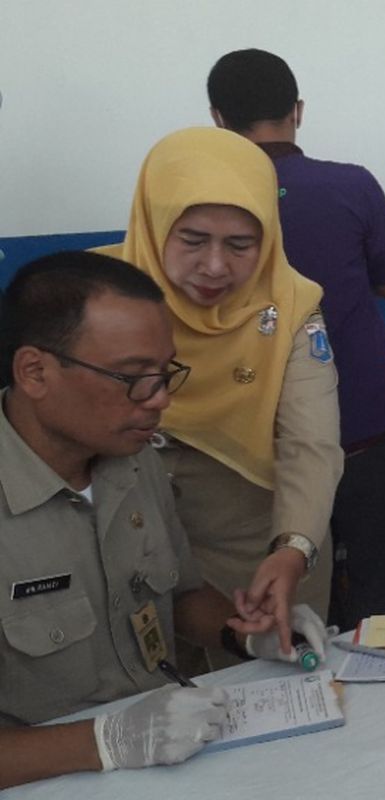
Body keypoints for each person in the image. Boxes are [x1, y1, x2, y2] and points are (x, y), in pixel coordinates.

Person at [0, 251, 325, 789]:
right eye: (132, 377)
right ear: (35, 371)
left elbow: (177, 595)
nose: (159, 400)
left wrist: (248, 635)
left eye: (164, 372)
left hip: (174, 759)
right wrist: (109, 739)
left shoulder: (133, 460)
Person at [99, 127, 343, 661]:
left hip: (256, 558)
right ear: (154, 222)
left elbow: (313, 444)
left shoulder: (290, 307)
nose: (215, 267)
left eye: (240, 245)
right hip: (120, 547)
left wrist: (294, 548)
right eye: (191, 239)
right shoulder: (97, 296)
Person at [207, 48, 385, 630]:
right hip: (360, 420)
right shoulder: (350, 185)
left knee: (273, 600)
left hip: (257, 439)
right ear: (297, 110)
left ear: (218, 118)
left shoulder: (208, 206)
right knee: (380, 582)